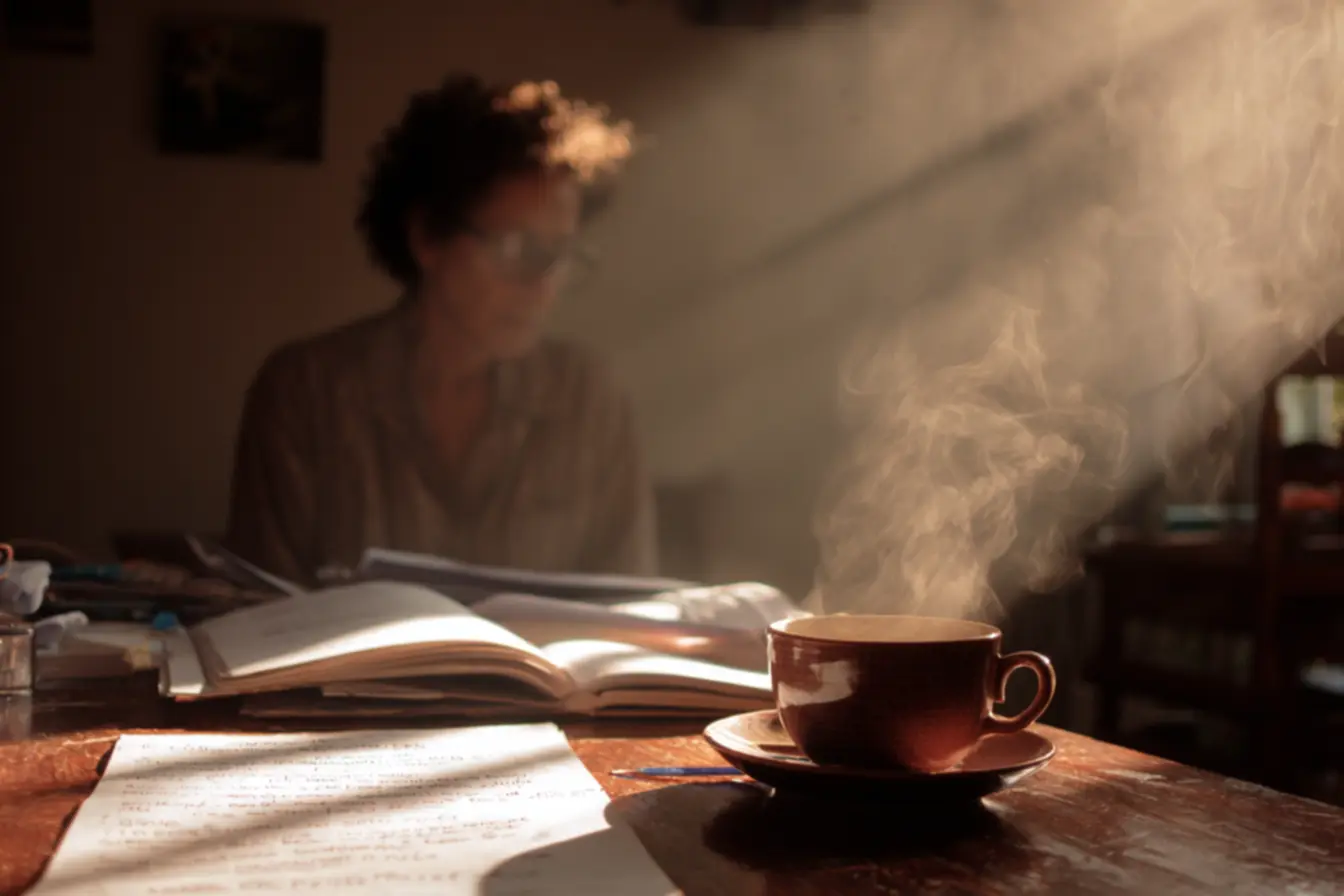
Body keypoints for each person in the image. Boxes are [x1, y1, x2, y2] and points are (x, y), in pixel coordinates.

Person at [223, 75, 656, 587]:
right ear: (428, 236)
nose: (543, 286)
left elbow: (630, 608)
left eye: (559, 256)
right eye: (518, 249)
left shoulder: (589, 399)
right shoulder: (308, 391)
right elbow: (263, 611)